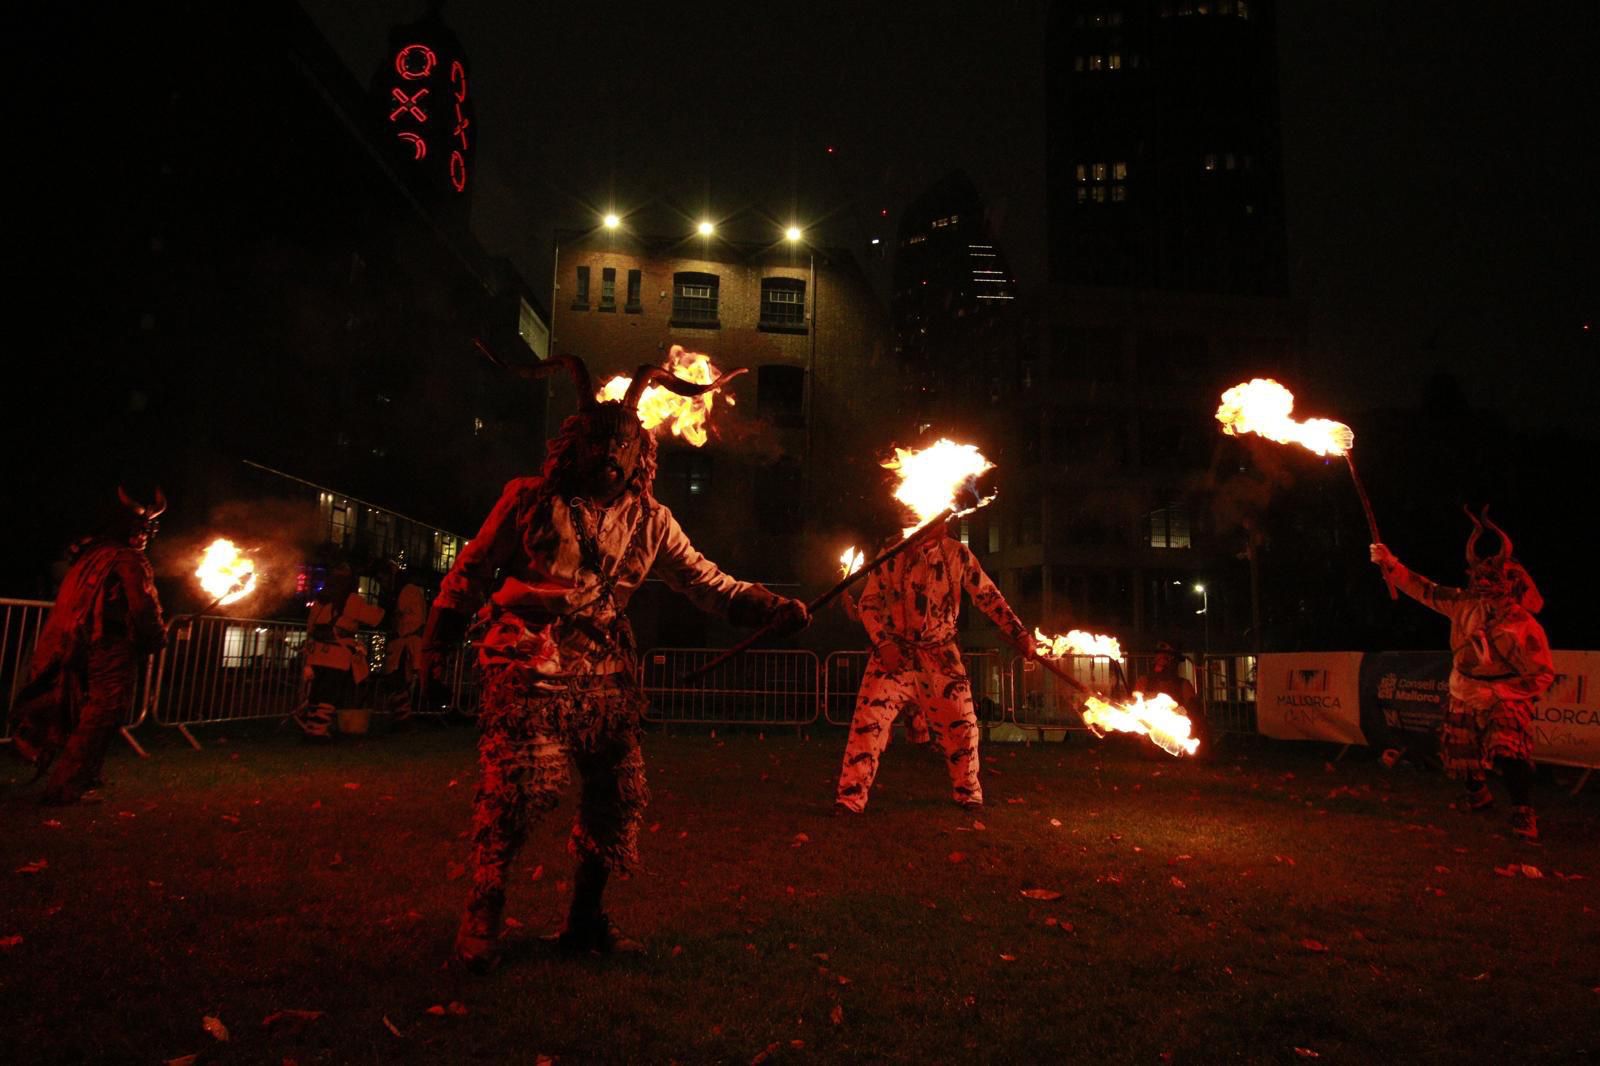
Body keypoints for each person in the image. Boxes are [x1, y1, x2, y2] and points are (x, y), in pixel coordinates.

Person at [422, 353, 808, 969]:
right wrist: (436, 645)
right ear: (574, 445)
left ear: (640, 453)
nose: (610, 454)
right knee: (521, 791)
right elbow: (468, 572)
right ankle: (484, 911)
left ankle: (584, 923)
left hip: (605, 672)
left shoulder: (652, 520)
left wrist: (767, 606)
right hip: (529, 665)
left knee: (619, 795)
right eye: (599, 442)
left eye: (623, 444)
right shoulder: (529, 500)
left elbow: (705, 581)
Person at [1370, 506, 1554, 841]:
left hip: (1505, 691)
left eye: (1491, 578)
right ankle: (1478, 796)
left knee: (1509, 749)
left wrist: (1498, 693)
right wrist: (1391, 563)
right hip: (1465, 687)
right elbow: (1425, 589)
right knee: (1460, 746)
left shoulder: (1525, 626)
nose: (1482, 583)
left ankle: (1523, 811)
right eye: (1478, 578)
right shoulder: (1462, 604)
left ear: (1509, 583)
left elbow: (1542, 675)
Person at [834, 507, 1032, 815]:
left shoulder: (957, 554)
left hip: (940, 657)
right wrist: (883, 643)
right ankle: (850, 798)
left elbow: (988, 595)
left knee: (963, 726)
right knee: (867, 724)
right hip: (893, 657)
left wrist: (1019, 633)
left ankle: (968, 793)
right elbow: (869, 603)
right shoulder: (891, 553)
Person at [10, 486, 167, 805]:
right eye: (140, 529)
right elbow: (142, 606)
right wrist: (156, 636)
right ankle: (66, 785)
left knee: (87, 708)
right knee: (105, 711)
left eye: (147, 530)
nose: (144, 536)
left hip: (79, 644)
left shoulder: (91, 556)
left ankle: (85, 774)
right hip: (109, 645)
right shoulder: (128, 559)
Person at [295, 565, 384, 739]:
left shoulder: (320, 600)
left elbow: (311, 627)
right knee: (329, 693)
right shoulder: (351, 600)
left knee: (317, 692)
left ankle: (312, 728)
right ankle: (318, 731)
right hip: (337, 655)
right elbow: (375, 618)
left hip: (316, 653)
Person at [1132, 641, 1209, 755]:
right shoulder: (1144, 681)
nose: (1162, 661)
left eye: (1167, 657)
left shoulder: (1183, 684)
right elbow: (1135, 707)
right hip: (1149, 733)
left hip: (1175, 732)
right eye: (1160, 656)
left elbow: (1193, 710)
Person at [379, 565, 428, 725]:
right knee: (397, 680)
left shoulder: (408, 591)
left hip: (405, 644)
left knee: (398, 680)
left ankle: (403, 718)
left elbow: (411, 620)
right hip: (403, 643)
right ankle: (401, 716)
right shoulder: (406, 592)